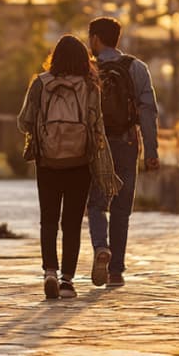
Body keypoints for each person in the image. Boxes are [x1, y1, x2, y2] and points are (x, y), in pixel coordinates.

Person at [18, 35, 122, 300]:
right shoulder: (90, 86)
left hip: (48, 162)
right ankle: (66, 281)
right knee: (72, 222)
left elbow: (24, 121)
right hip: (80, 162)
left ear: (55, 57)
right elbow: (97, 125)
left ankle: (49, 272)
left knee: (49, 220)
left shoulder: (40, 83)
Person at [86, 16, 160, 288]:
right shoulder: (137, 67)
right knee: (121, 208)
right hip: (128, 143)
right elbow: (148, 111)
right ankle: (116, 271)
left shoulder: (88, 69)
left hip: (97, 145)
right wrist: (151, 151)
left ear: (95, 38)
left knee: (95, 203)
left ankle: (100, 247)